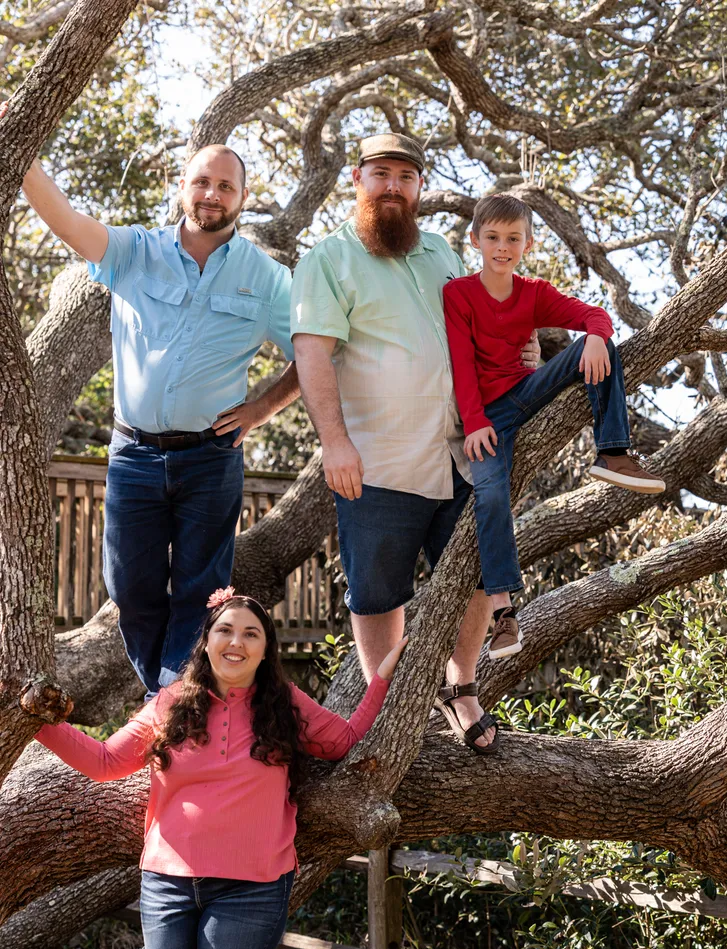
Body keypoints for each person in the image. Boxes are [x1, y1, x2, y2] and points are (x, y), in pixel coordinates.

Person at [33, 587, 407, 949]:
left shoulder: (284, 703)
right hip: (167, 881)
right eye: (226, 630)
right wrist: (37, 723)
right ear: (206, 642)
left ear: (266, 650)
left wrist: (383, 680)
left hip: (253, 886)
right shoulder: (170, 703)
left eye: (251, 634)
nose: (237, 642)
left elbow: (340, 742)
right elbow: (105, 762)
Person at [4, 100, 300, 698]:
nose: (211, 193)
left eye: (225, 185)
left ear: (243, 197)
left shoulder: (266, 277)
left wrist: (263, 407)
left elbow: (318, 354)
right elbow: (63, 220)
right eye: (201, 182)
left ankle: (168, 702)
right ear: (182, 189)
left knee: (200, 589)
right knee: (130, 586)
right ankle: (161, 690)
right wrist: (20, 146)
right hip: (133, 454)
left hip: (210, 456)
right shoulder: (135, 251)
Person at [291, 133, 540, 755]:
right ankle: (388, 702)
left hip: (461, 448)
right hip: (377, 458)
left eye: (406, 176)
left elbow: (480, 325)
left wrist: (520, 351)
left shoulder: (441, 255)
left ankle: (460, 684)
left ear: (420, 186)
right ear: (357, 179)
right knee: (377, 589)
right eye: (381, 174)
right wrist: (336, 443)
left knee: (480, 568)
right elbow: (311, 353)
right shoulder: (330, 258)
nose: (394, 186)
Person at [443, 193, 666, 661]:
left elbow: (594, 314)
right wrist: (477, 422)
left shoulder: (534, 292)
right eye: (492, 238)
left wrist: (597, 337)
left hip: (529, 392)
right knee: (491, 495)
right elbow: (462, 365)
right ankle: (505, 615)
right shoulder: (459, 294)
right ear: (475, 240)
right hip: (488, 418)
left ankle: (613, 451)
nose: (502, 247)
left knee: (600, 344)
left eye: (513, 239)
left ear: (528, 243)